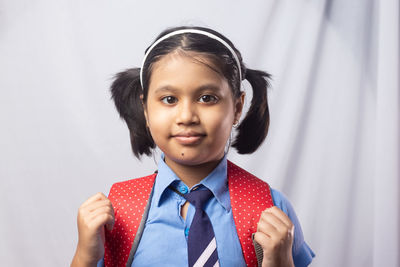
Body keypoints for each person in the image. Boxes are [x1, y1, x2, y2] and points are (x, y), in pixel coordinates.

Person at [71, 26, 315, 267]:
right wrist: (85, 257)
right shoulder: (117, 212)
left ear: (237, 107)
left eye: (207, 98)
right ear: (146, 109)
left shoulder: (269, 209)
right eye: (169, 99)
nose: (186, 116)